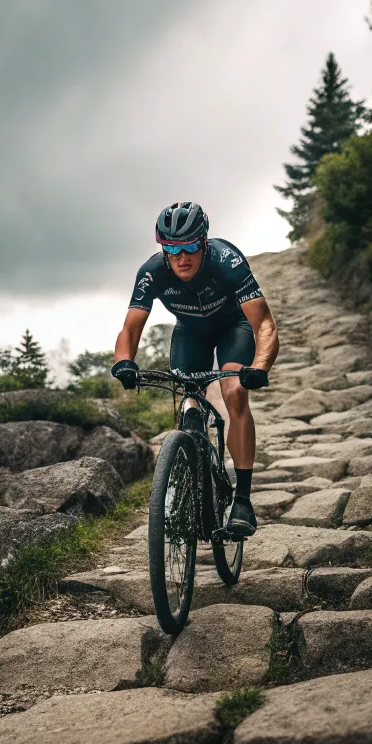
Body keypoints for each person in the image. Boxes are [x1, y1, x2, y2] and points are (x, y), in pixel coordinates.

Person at [111, 202, 279, 537]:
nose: (181, 256)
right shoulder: (152, 272)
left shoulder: (227, 261)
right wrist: (124, 361)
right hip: (191, 333)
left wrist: (259, 367)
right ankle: (191, 475)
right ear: (163, 249)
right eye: (172, 249)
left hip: (235, 327)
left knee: (233, 391)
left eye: (189, 247)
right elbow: (130, 329)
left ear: (203, 243)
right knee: (188, 401)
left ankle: (242, 500)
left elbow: (264, 325)